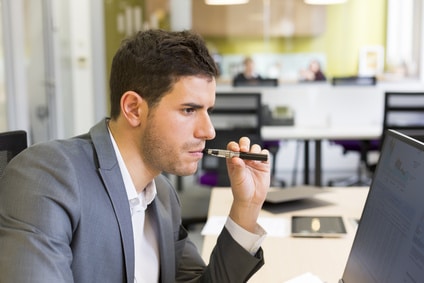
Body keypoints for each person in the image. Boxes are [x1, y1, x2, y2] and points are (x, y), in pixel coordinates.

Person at [0, 29, 270, 282]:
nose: (208, 131)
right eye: (189, 110)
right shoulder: (47, 177)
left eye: (208, 111)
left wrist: (246, 207)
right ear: (133, 109)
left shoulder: (163, 196)